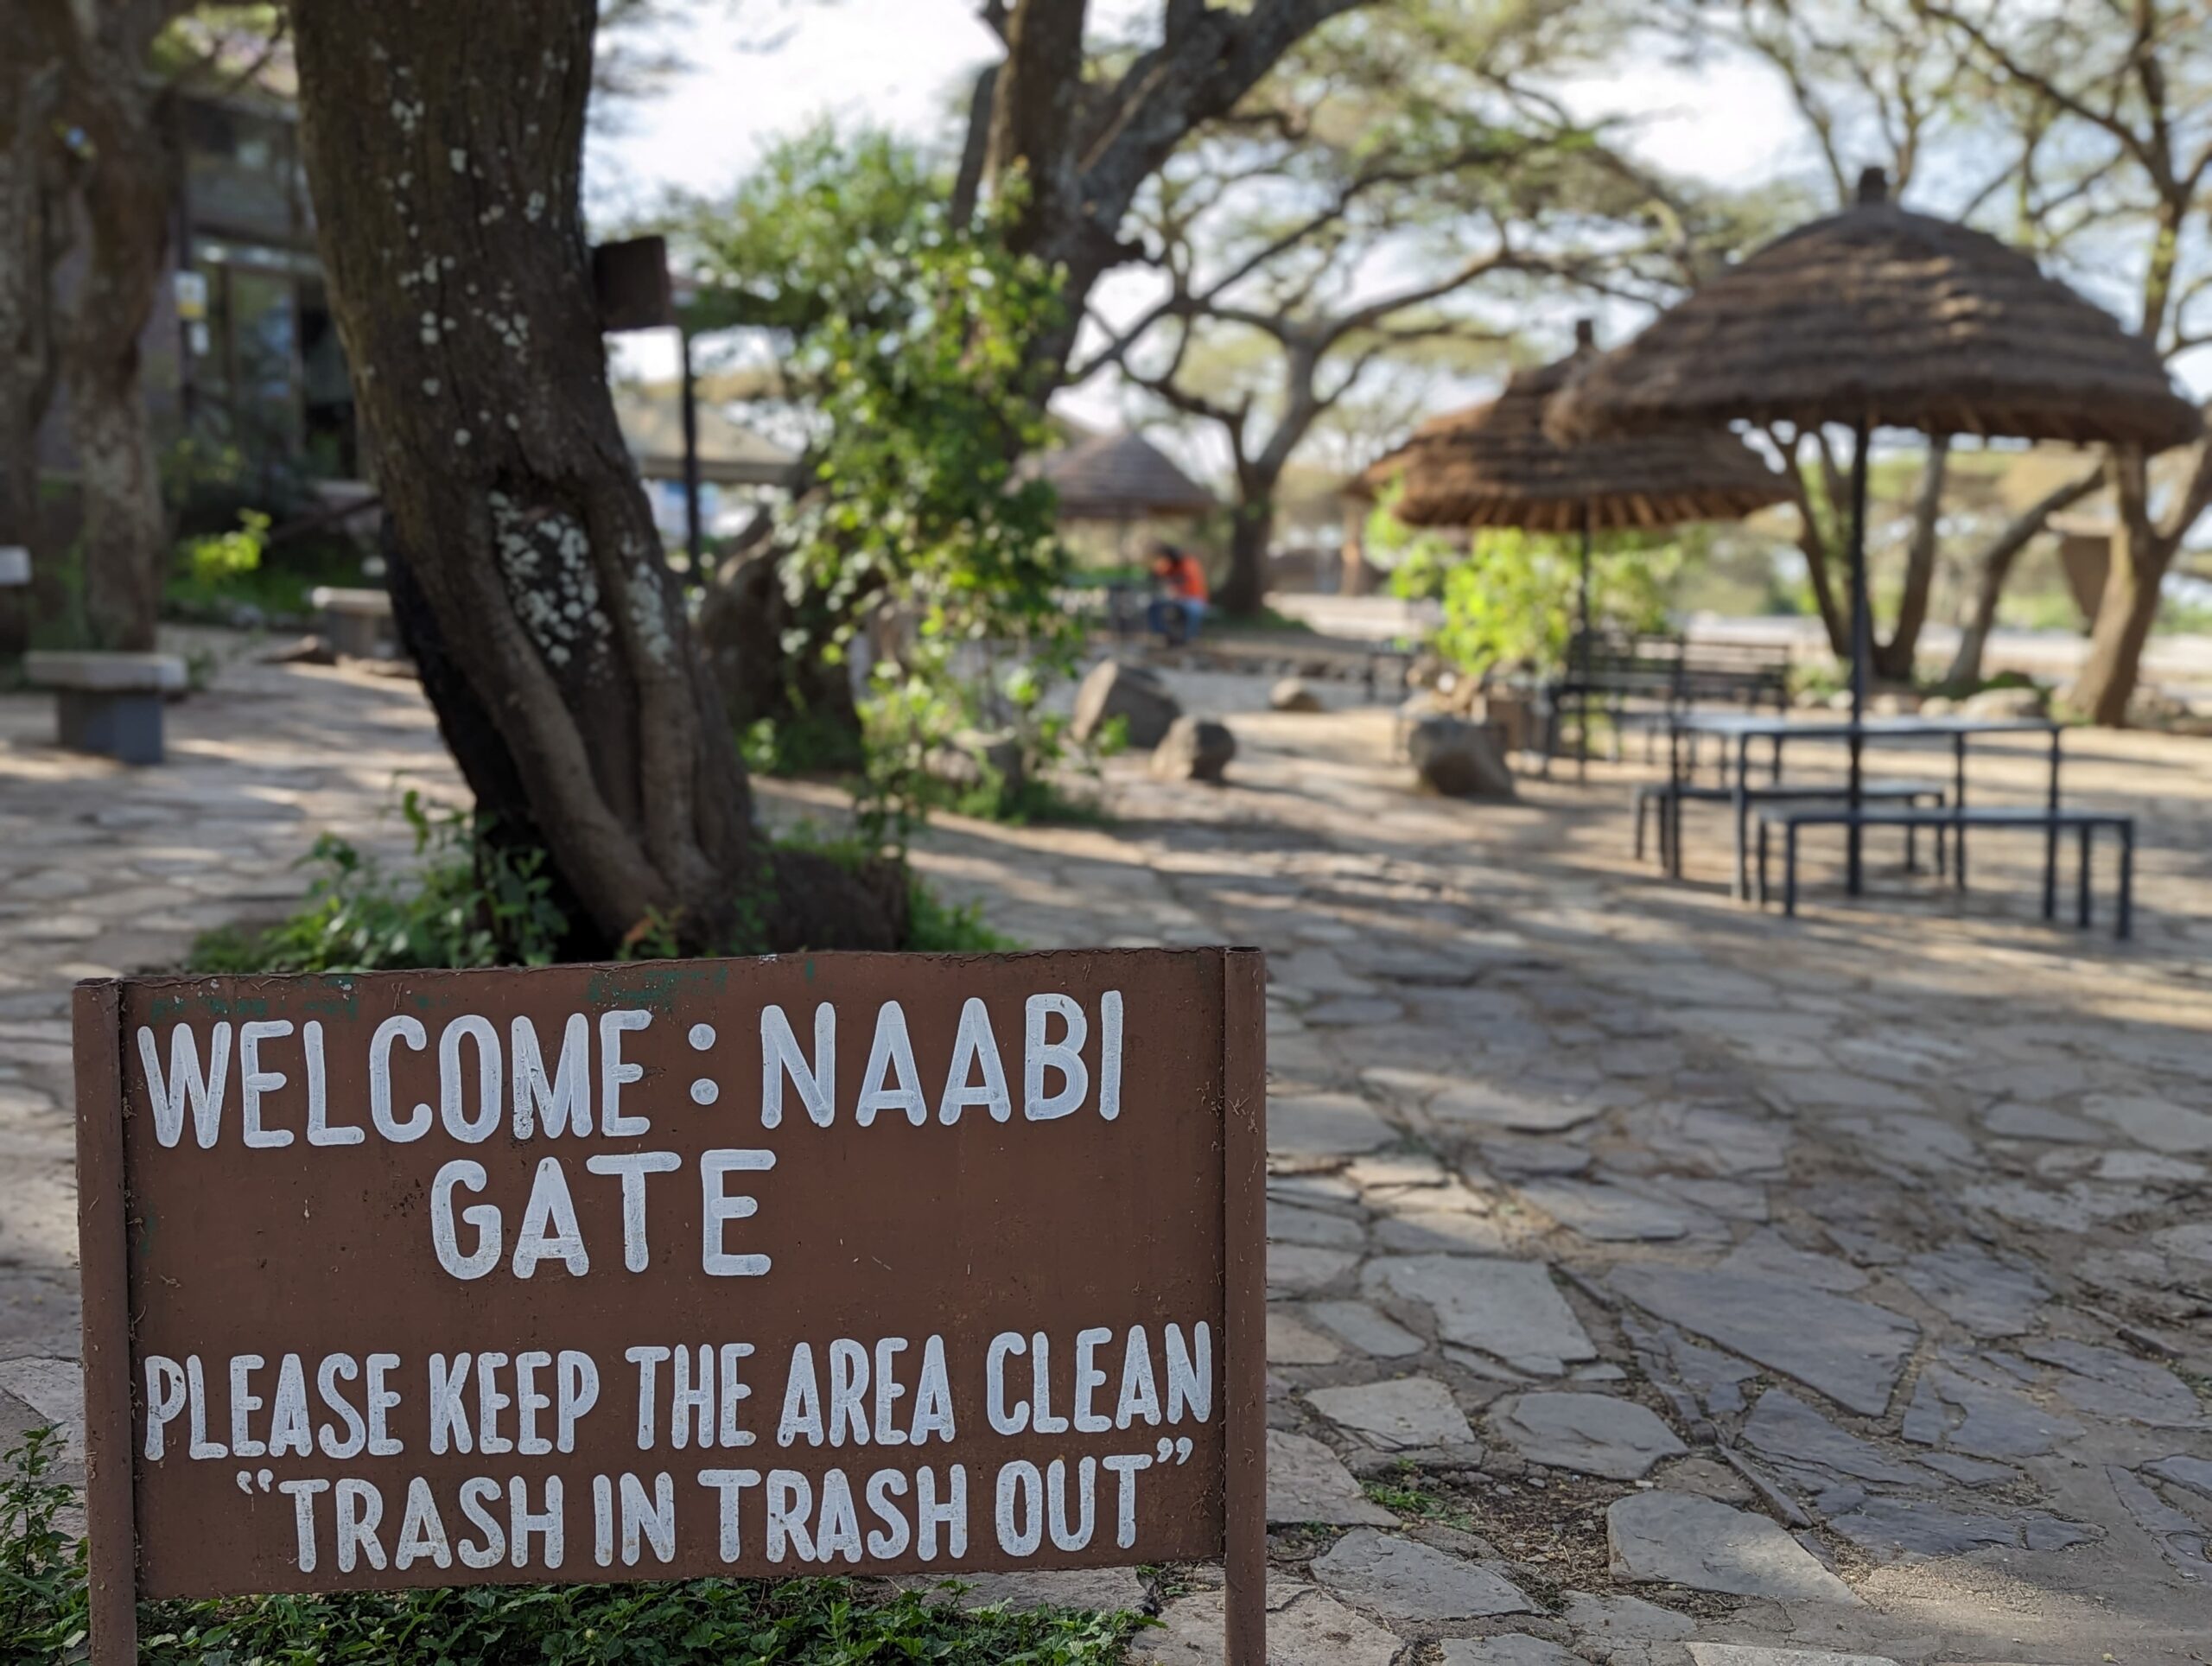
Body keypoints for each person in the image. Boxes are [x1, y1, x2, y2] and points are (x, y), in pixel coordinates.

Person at [1145, 542, 1210, 644]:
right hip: (1177, 600)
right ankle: (1163, 632)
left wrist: (1170, 583)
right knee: (1154, 606)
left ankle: (1187, 637)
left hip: (1194, 599)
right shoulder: (1171, 565)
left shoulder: (1189, 563)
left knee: (1191, 612)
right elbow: (1157, 574)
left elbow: (1183, 579)